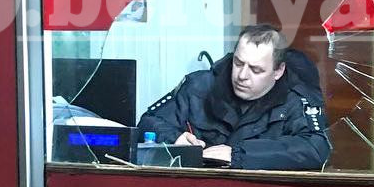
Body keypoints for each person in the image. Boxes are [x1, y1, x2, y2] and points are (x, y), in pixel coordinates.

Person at [137, 24, 330, 170]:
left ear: (278, 71)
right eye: (238, 63)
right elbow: (148, 122)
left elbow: (315, 148)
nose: (242, 75)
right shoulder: (199, 86)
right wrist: (175, 138)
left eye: (256, 69)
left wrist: (240, 155)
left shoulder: (296, 99)